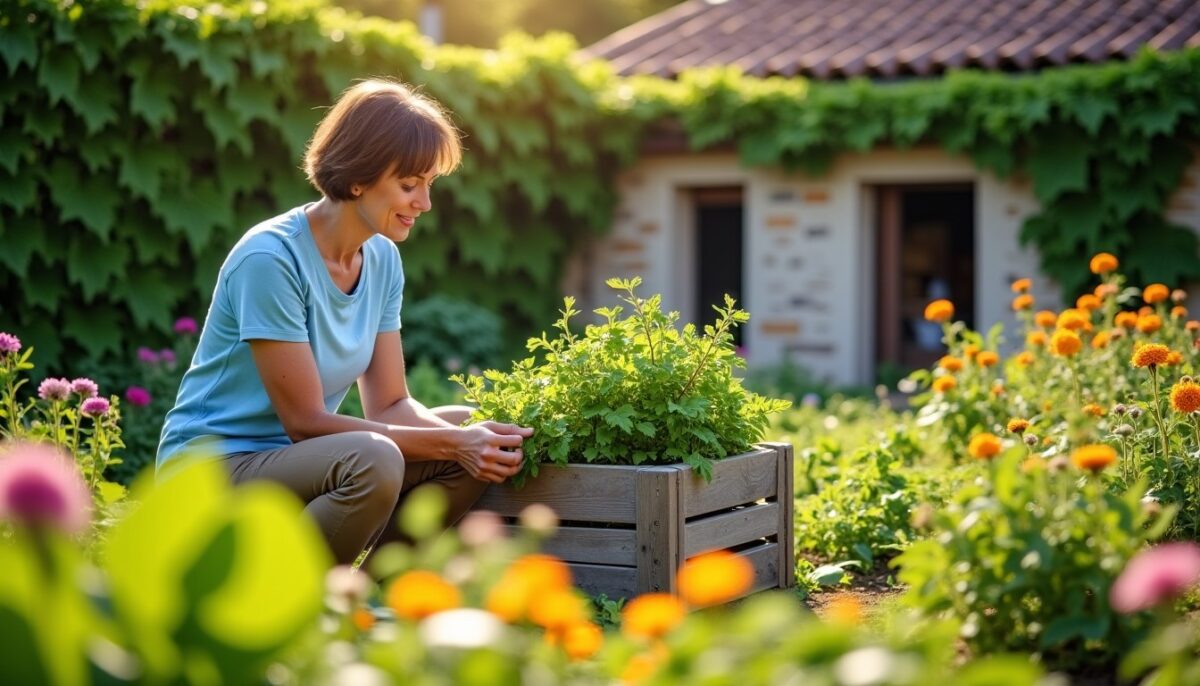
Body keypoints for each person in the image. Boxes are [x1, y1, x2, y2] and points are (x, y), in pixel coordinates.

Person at [156, 79, 532, 565]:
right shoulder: (270, 258)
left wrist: (469, 439)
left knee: (471, 428)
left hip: (299, 463)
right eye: (409, 184)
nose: (425, 203)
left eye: (429, 185)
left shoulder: (381, 260)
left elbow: (391, 405)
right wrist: (458, 444)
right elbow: (305, 424)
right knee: (379, 458)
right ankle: (289, 608)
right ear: (359, 178)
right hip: (213, 471)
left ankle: (373, 597)